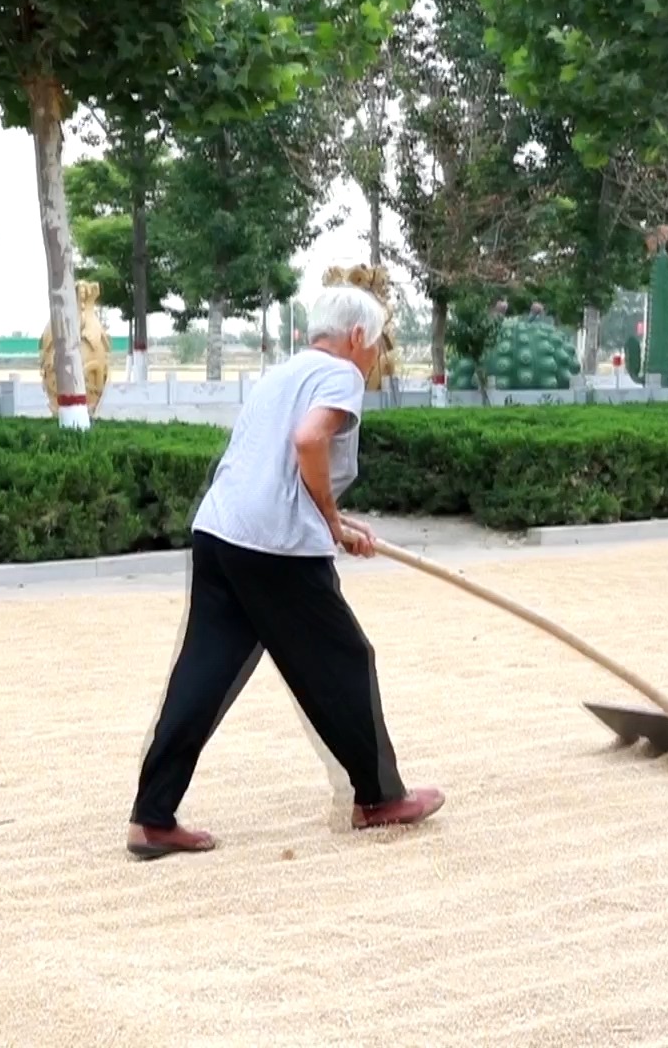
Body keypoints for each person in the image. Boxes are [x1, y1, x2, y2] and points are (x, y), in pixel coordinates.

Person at [125, 283, 445, 860]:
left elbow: (283, 454)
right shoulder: (340, 373)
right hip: (274, 546)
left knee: (204, 671)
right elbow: (308, 441)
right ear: (355, 337)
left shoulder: (281, 372)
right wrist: (328, 519)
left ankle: (152, 817)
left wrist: (337, 522)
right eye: (376, 345)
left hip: (220, 532)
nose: (375, 358)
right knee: (346, 659)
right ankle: (377, 799)